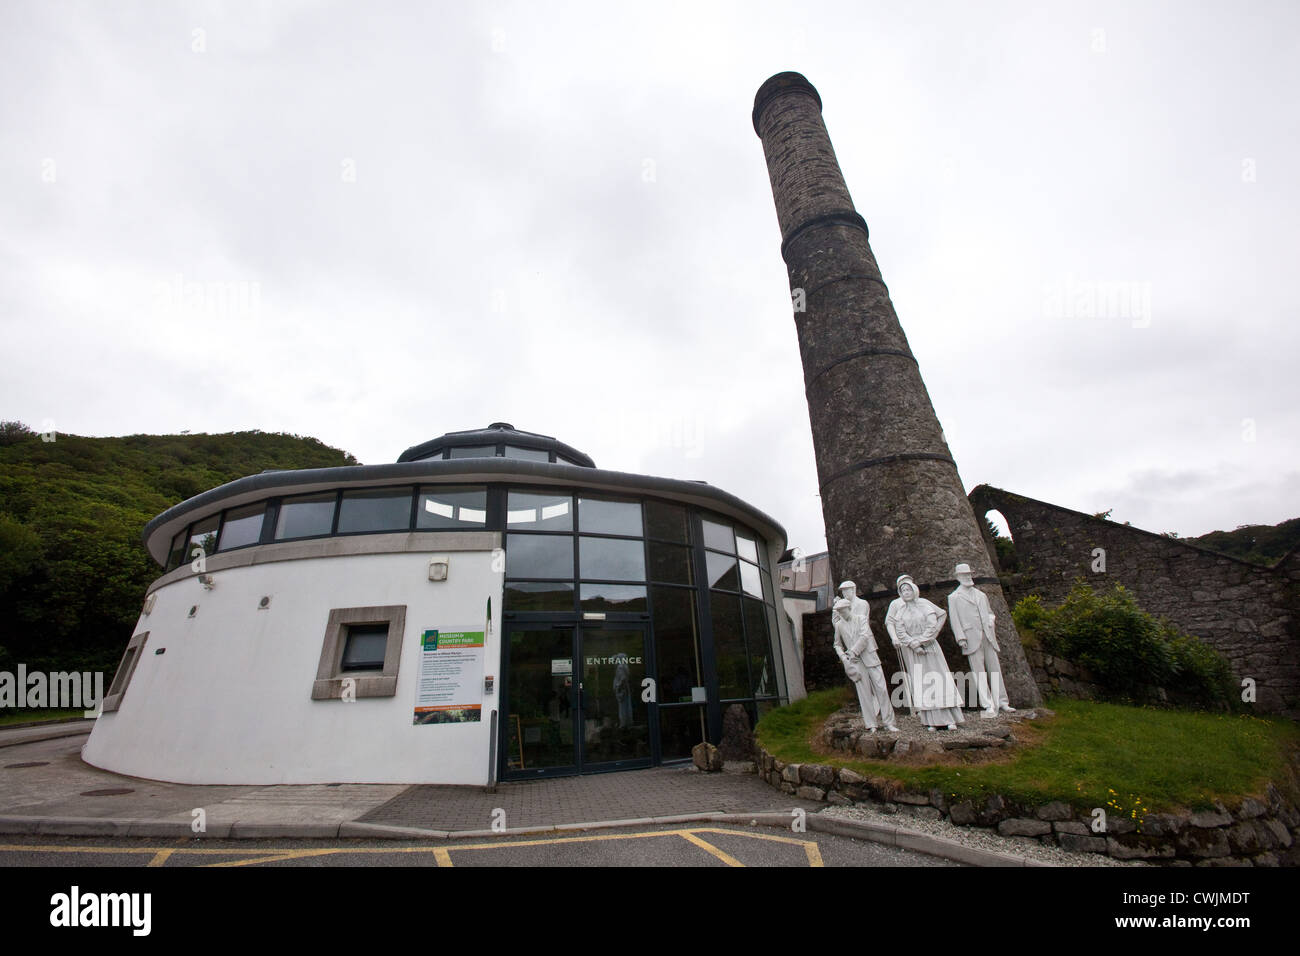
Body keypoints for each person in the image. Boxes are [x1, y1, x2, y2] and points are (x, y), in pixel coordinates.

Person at [885, 574, 964, 730]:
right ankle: (930, 719)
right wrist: (912, 644)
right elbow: (896, 626)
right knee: (922, 682)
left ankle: (949, 718)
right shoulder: (899, 608)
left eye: (908, 588)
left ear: (914, 589)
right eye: (903, 589)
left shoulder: (924, 604)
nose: (906, 592)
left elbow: (936, 619)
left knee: (938, 679)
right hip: (913, 650)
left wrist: (925, 639)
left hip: (929, 647)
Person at [947, 563, 1014, 716]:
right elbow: (955, 619)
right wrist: (961, 637)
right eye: (964, 575)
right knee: (979, 672)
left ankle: (1002, 701)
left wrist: (990, 621)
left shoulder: (981, 595)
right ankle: (988, 704)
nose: (968, 577)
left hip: (987, 635)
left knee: (995, 669)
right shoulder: (954, 597)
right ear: (958, 577)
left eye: (969, 574)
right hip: (971, 637)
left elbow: (990, 613)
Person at [832, 597, 898, 732]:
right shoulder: (839, 625)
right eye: (839, 611)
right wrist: (844, 657)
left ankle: (889, 722)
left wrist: (853, 652)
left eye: (843, 611)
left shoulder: (861, 618)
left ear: (849, 609)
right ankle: (871, 724)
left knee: (881, 689)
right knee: (864, 693)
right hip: (855, 662)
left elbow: (864, 636)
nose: (841, 614)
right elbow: (837, 644)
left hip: (870, 657)